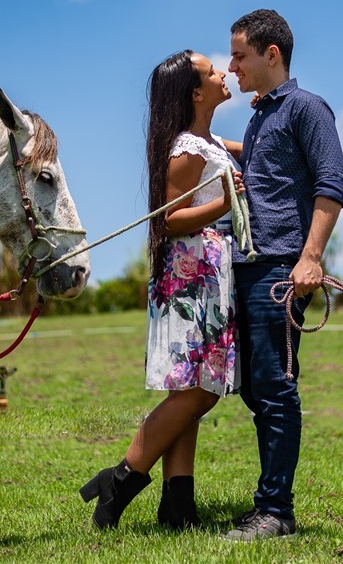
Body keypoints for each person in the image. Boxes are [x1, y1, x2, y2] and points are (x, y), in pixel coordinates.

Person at [80, 50, 245, 530]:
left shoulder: (208, 141)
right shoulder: (188, 149)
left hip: (206, 276)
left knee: (193, 389)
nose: (223, 73)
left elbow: (253, 148)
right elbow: (170, 219)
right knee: (201, 392)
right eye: (214, 71)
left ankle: (178, 506)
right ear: (196, 92)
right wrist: (227, 202)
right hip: (191, 278)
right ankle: (123, 476)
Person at [224, 9, 343, 541]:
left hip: (280, 268)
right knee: (254, 388)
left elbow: (332, 182)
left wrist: (311, 257)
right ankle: (269, 503)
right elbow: (260, 167)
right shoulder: (260, 116)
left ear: (271, 55)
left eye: (239, 55)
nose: (231, 67)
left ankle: (276, 512)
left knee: (275, 389)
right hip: (248, 265)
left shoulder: (306, 108)